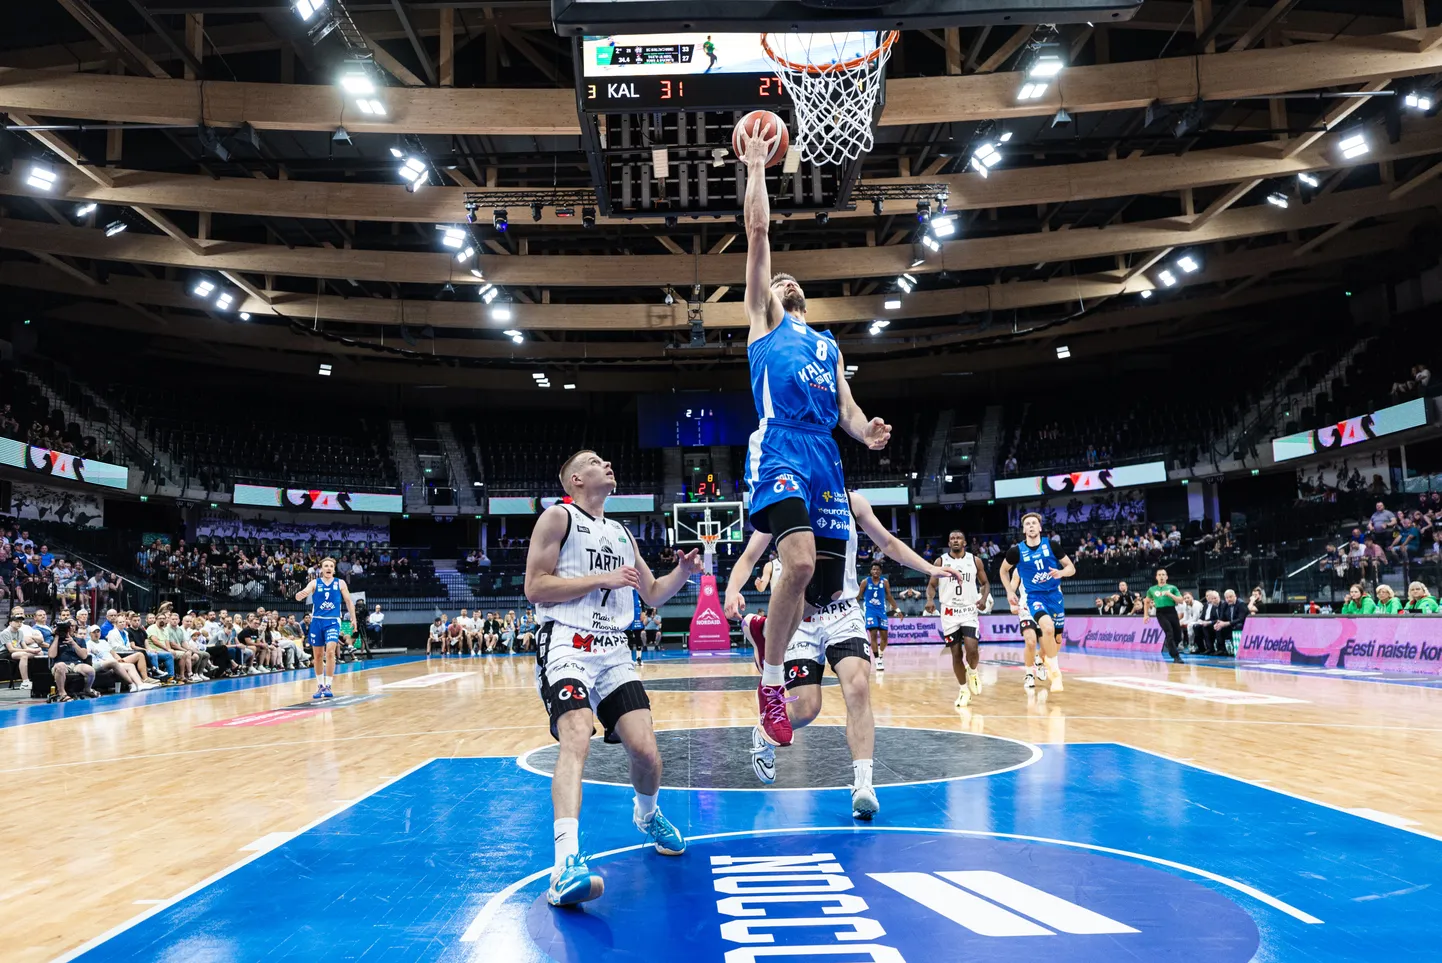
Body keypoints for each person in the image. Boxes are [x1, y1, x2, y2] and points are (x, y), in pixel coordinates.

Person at [739, 117, 891, 751]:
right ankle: (773, 681)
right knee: (795, 562)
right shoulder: (761, 324)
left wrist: (868, 432)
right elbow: (757, 232)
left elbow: (848, 413)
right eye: (775, 281)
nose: (781, 280)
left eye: (785, 283)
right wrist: (754, 167)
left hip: (827, 455)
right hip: (781, 445)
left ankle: (770, 639)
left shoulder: (828, 347)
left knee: (813, 575)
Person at [525, 449, 703, 908]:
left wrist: (682, 572)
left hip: (614, 650)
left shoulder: (623, 533)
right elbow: (535, 587)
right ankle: (565, 864)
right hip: (566, 641)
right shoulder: (557, 518)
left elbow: (654, 594)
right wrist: (597, 579)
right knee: (576, 734)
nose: (607, 463)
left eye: (608, 459)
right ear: (576, 479)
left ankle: (647, 816)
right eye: (595, 460)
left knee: (646, 750)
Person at [725, 490, 960, 818]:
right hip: (800, 616)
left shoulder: (852, 502)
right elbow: (749, 557)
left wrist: (929, 569)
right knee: (807, 708)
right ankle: (764, 730)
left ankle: (863, 785)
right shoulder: (784, 500)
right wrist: (733, 589)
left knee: (858, 687)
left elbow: (889, 544)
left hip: (844, 611)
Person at [999, 513, 1075, 692]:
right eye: (1028, 524)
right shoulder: (1016, 551)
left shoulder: (1052, 545)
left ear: (1040, 527)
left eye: (1034, 523)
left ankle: (1043, 659)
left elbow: (1071, 568)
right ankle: (1054, 674)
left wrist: (1061, 573)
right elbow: (1003, 571)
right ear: (1024, 529)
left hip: (1055, 596)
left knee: (1056, 639)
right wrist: (1010, 592)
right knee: (1044, 631)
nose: (1031, 526)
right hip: (1034, 598)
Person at [925, 530, 990, 708]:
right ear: (949, 542)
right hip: (949, 613)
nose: (955, 540)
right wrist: (930, 600)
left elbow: (985, 583)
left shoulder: (975, 560)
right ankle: (963, 690)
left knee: (972, 649)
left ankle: (973, 671)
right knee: (956, 654)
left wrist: (983, 599)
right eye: (952, 538)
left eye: (958, 538)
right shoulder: (941, 561)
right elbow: (931, 585)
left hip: (969, 610)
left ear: (964, 543)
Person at [295, 556, 356, 700]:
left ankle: (328, 685)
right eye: (326, 566)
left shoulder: (340, 583)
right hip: (317, 621)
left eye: (331, 566)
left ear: (334, 569)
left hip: (333, 621)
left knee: (330, 651)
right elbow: (301, 595)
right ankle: (320, 685)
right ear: (321, 569)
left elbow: (348, 601)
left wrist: (354, 618)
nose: (328, 568)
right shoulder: (315, 583)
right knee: (317, 656)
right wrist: (299, 595)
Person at [857, 563, 897, 673]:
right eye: (873, 569)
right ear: (871, 571)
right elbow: (859, 596)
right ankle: (877, 660)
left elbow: (889, 596)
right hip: (870, 612)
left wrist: (897, 610)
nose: (875, 571)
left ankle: (880, 652)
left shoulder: (884, 582)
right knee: (873, 636)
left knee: (885, 638)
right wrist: (852, 608)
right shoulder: (865, 582)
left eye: (877, 569)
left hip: (881, 612)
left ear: (880, 571)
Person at [1141, 568, 1185, 664]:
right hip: (1161, 613)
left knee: (1177, 636)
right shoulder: (1152, 589)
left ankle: (1169, 644)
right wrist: (1146, 615)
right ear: (1156, 577)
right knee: (1169, 632)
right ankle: (1176, 656)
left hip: (1172, 611)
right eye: (1159, 575)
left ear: (1166, 577)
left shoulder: (1172, 588)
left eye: (1163, 574)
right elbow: (1147, 602)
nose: (1161, 576)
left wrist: (1170, 595)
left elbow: (1181, 600)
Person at [49, 619, 96, 701]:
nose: (70, 628)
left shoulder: (80, 640)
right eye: (68, 626)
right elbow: (51, 655)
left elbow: (84, 656)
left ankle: (87, 689)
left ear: (75, 628)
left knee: (90, 670)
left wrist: (73, 643)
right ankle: (62, 694)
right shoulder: (54, 640)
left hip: (76, 664)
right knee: (60, 666)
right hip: (60, 664)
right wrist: (56, 636)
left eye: (72, 626)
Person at [2, 612, 45, 690]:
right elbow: (11, 649)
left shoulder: (20, 632)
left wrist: (34, 651)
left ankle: (37, 679)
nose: (19, 623)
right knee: (24, 655)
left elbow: (24, 647)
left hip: (17, 651)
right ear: (10, 623)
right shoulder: (5, 633)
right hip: (5, 653)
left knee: (40, 653)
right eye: (16, 621)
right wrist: (30, 651)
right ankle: (25, 682)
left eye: (20, 622)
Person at [626, 591, 645, 665]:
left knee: (637, 635)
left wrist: (643, 611)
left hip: (636, 612)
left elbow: (643, 599)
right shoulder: (624, 588)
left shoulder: (637, 588)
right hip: (627, 612)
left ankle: (638, 658)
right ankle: (628, 658)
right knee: (627, 636)